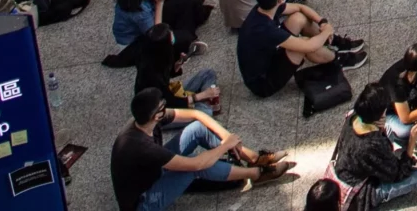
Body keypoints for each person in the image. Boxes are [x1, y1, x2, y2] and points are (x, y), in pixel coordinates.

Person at [110, 86, 290, 211]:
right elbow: (195, 165)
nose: (166, 107)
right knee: (197, 168)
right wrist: (224, 146)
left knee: (197, 129)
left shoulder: (142, 121)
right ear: (156, 115)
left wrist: (227, 137)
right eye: (163, 106)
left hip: (154, 171)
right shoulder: (143, 147)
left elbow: (196, 114)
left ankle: (253, 158)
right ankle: (257, 174)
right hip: (144, 202)